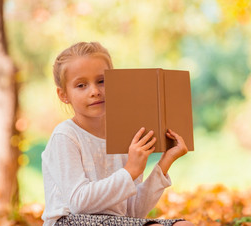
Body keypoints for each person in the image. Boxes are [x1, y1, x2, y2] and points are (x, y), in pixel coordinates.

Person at [41, 41, 193, 226]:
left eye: (101, 81)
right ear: (63, 95)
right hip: (70, 222)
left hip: (117, 222)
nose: (95, 91)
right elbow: (77, 202)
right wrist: (130, 171)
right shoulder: (65, 136)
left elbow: (133, 212)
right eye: (81, 85)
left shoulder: (124, 135)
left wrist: (165, 162)